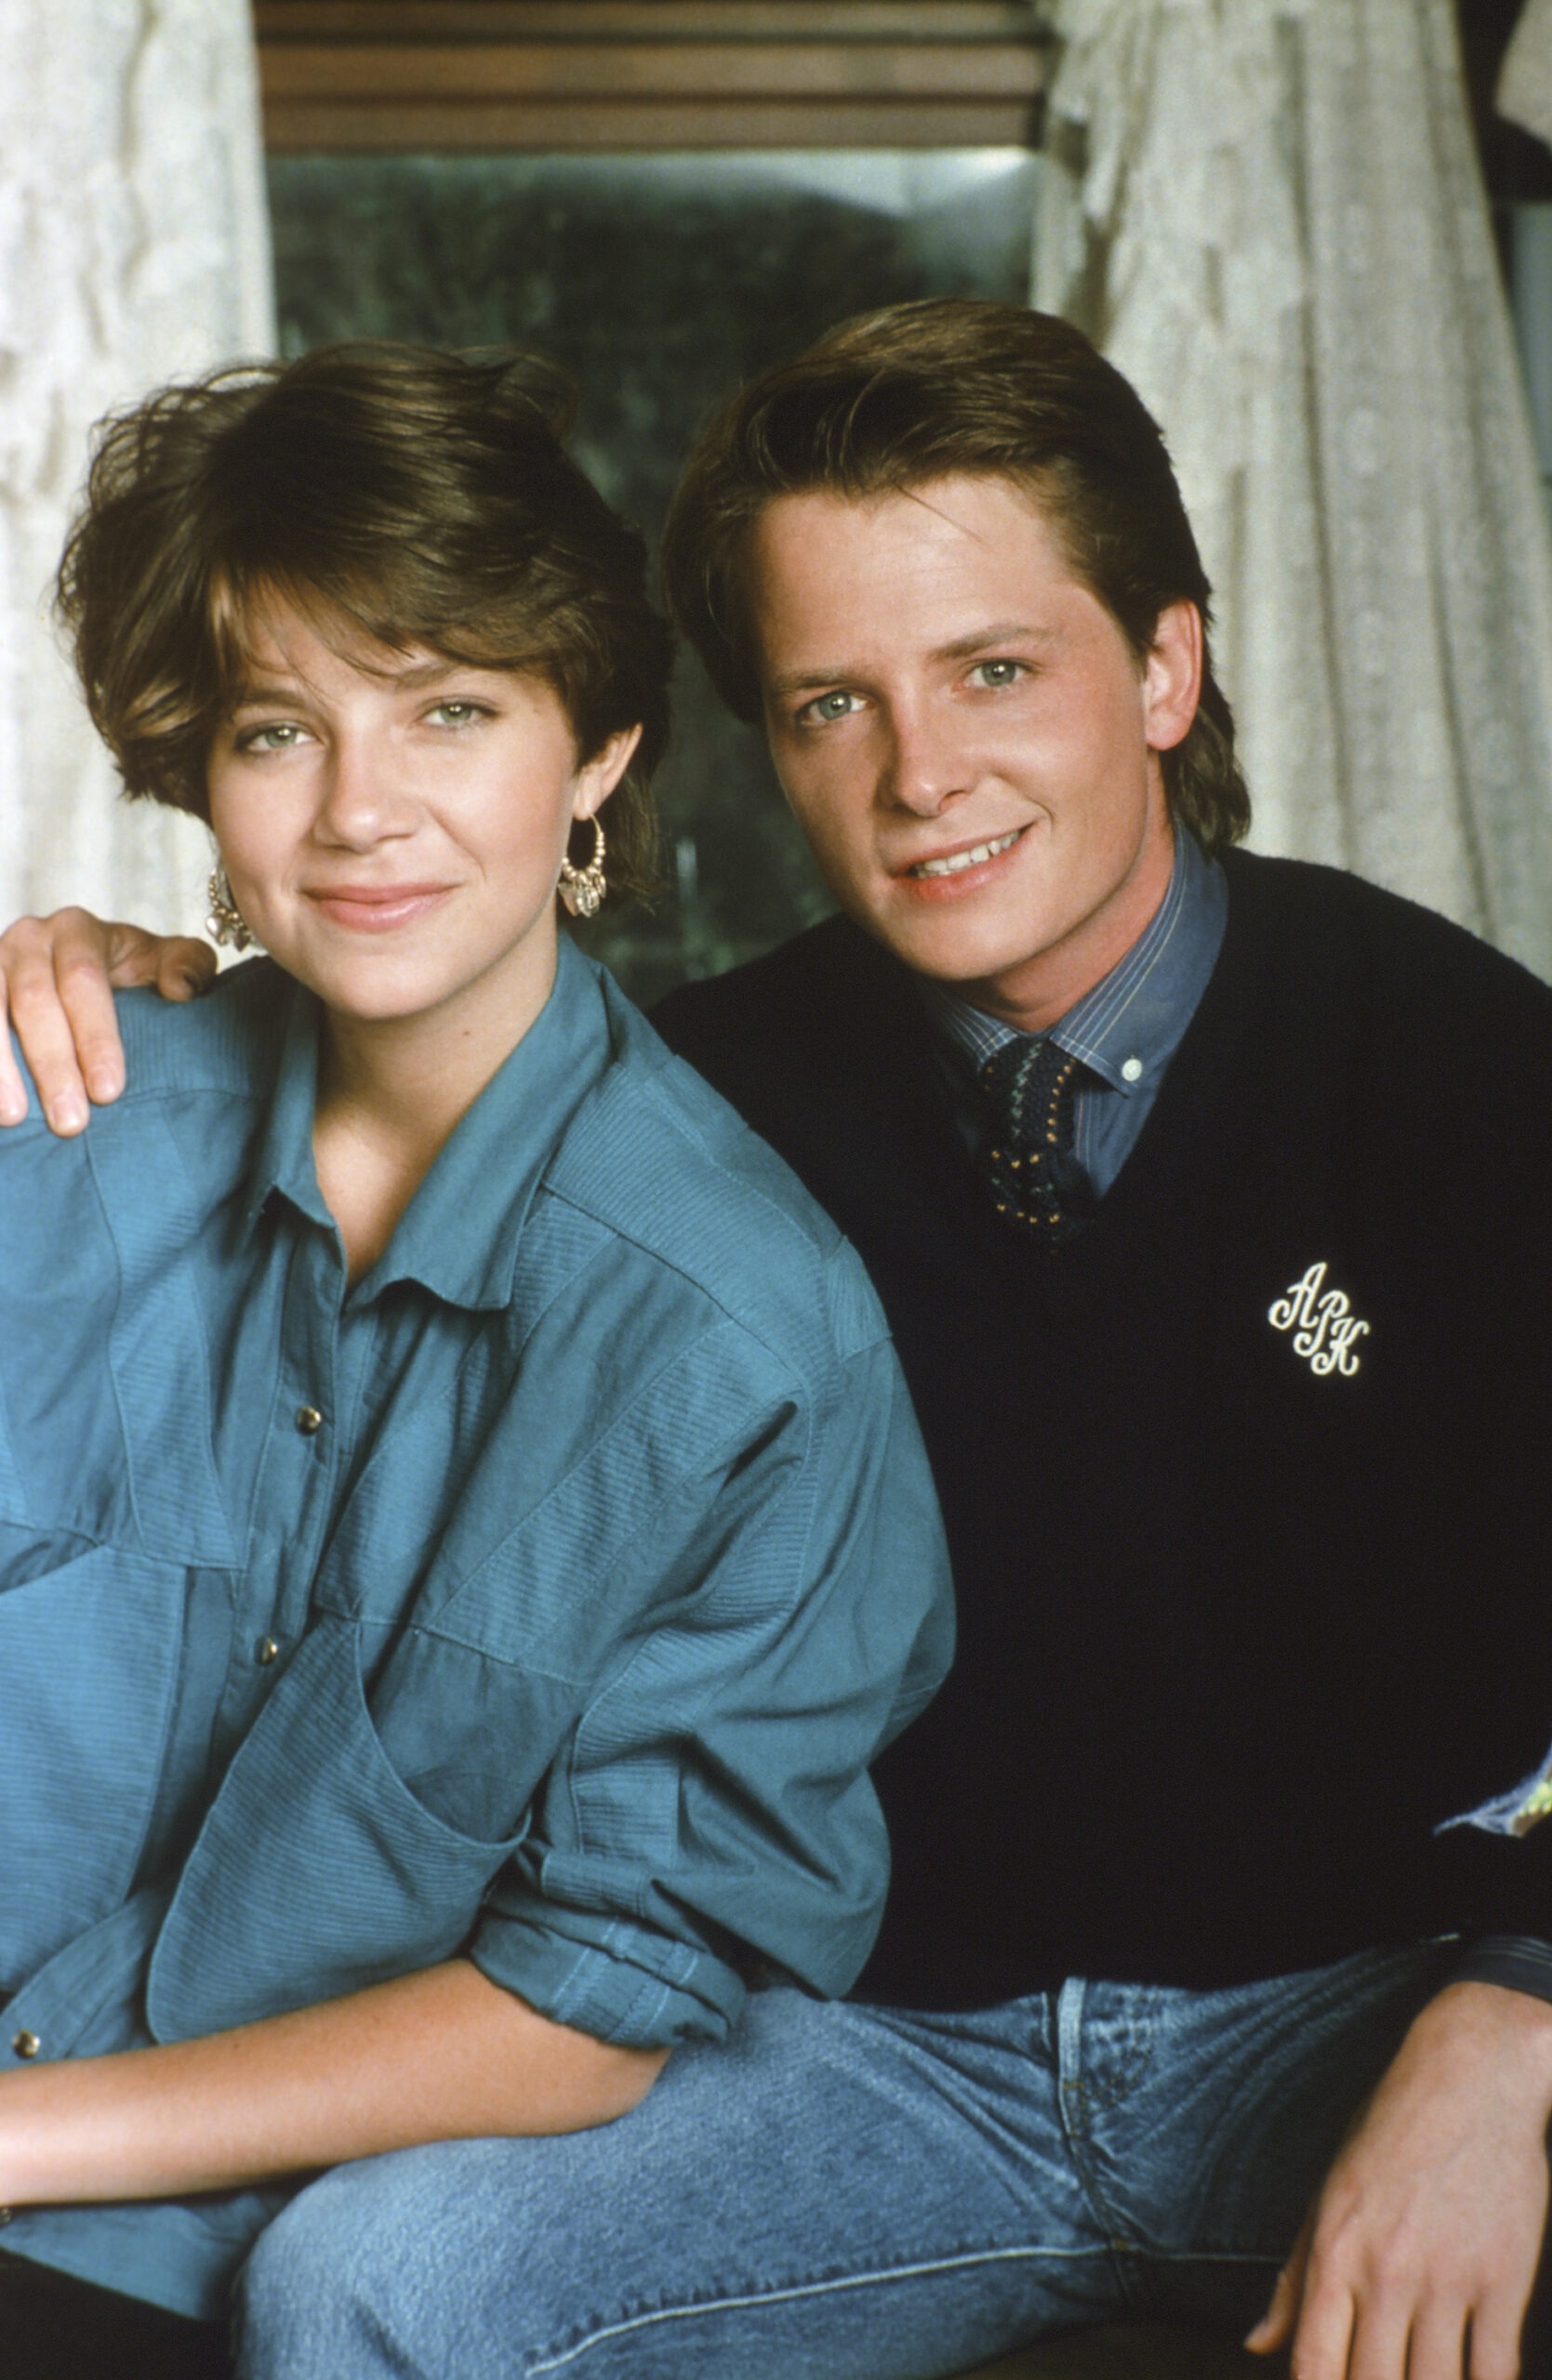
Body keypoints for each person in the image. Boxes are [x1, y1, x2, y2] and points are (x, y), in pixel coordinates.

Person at [6, 298, 1552, 2380]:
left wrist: (1512, 2008)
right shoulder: (691, 1116)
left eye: (995, 669)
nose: (921, 774)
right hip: (865, 2049)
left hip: (1360, 2006)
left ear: (1165, 665)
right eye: (833, 701)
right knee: (372, 2281)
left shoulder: (1458, 1061)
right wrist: (125, 976)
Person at [0, 339, 950, 2380]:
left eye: (450, 710)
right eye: (278, 729)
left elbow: (593, 1994)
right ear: (193, 764)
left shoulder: (749, 1343)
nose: (361, 813)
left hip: (231, 2262)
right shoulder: (46, 1120)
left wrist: (16, 2140)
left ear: (595, 747)